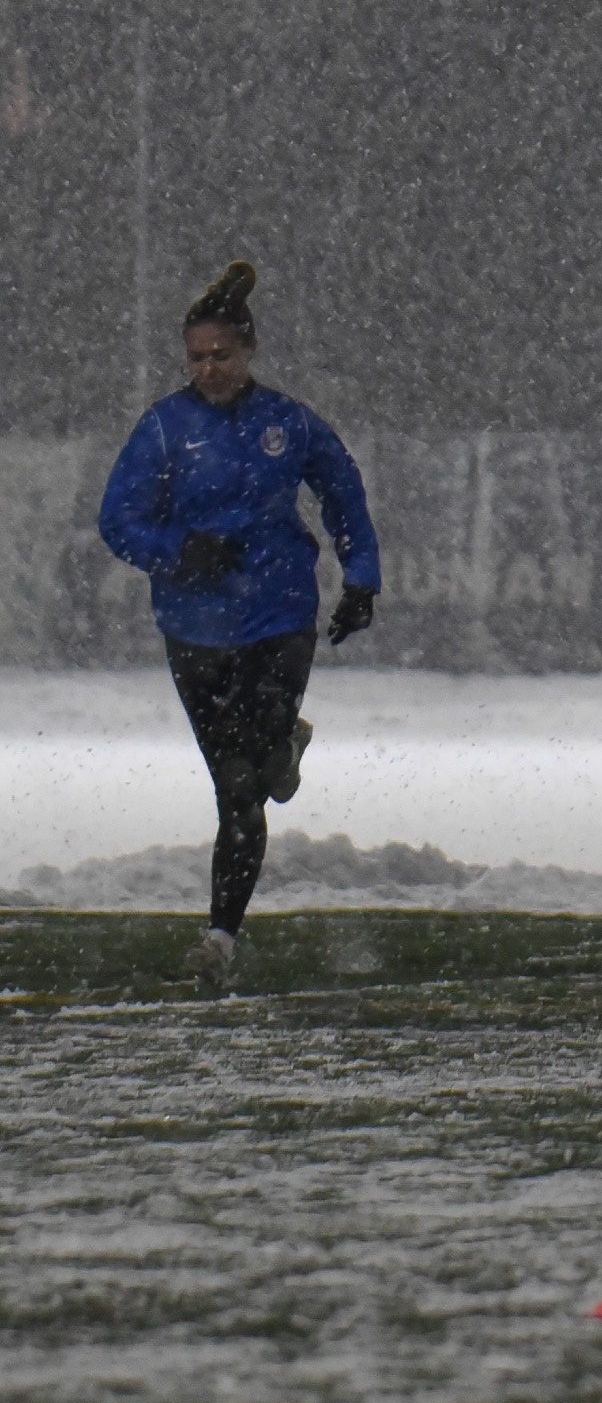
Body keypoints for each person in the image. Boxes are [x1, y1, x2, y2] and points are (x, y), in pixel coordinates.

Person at [94, 262, 381, 989]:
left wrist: (361, 577)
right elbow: (118, 520)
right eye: (197, 357)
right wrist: (179, 552)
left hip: (278, 615)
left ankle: (219, 937)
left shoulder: (287, 420)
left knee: (248, 779)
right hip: (193, 627)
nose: (209, 368)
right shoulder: (164, 428)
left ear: (248, 352)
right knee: (237, 787)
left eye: (221, 354)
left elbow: (342, 489)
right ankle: (224, 933)